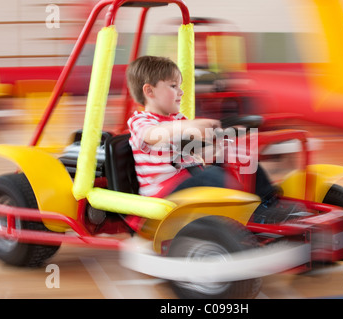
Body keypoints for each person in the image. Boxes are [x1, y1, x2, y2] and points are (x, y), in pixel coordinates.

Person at [126, 56, 295, 223]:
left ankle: (269, 205)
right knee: (212, 175)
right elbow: (152, 134)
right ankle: (250, 215)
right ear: (149, 91)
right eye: (173, 86)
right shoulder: (140, 121)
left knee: (240, 159)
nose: (181, 91)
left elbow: (200, 147)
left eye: (180, 86)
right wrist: (188, 127)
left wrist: (224, 135)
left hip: (190, 179)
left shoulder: (178, 119)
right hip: (164, 194)